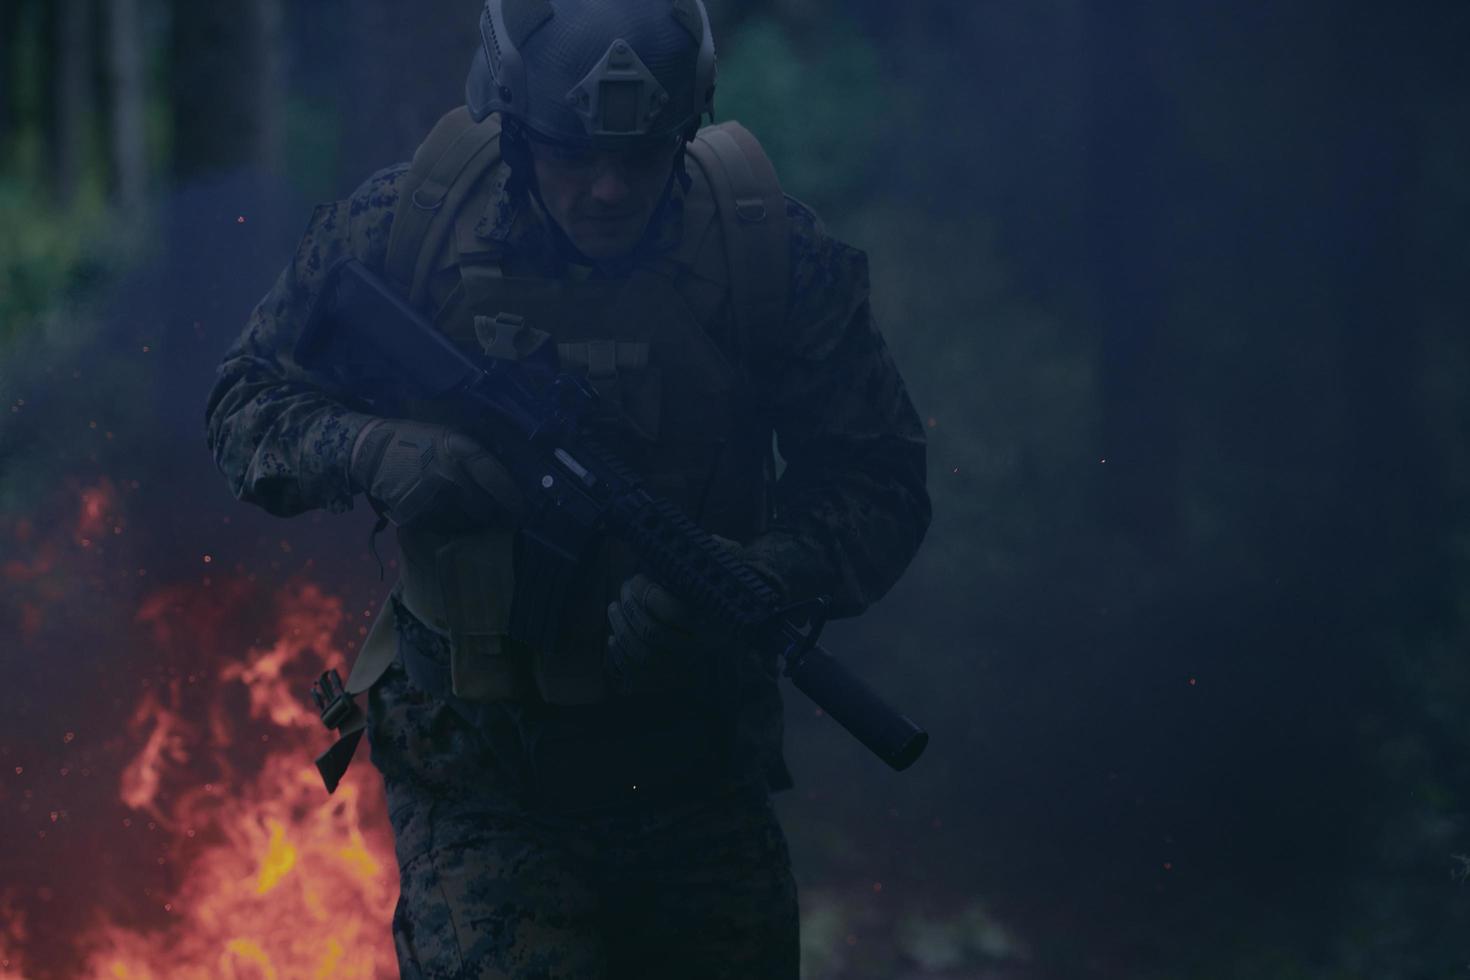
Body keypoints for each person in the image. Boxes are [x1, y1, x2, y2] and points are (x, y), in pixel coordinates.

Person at [205, 0, 930, 976]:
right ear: (510, 125)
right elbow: (245, 402)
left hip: (697, 771)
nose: (606, 188)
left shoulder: (767, 257)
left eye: (642, 156)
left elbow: (882, 480)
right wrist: (373, 448)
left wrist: (756, 574)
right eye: (571, 151)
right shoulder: (405, 228)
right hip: (480, 779)